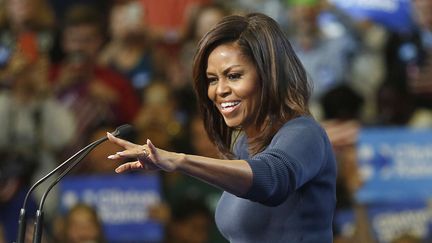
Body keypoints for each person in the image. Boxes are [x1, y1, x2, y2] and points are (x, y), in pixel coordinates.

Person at [107, 13, 337, 242]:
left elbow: (272, 179)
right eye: (212, 79)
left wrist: (180, 161)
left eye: (234, 76)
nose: (219, 90)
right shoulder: (243, 146)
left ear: (269, 76)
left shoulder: (304, 133)